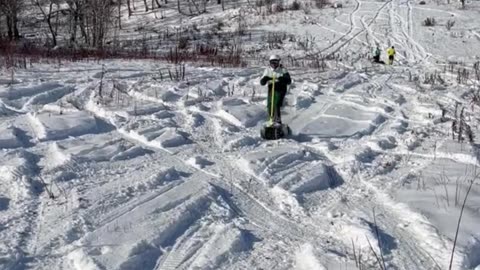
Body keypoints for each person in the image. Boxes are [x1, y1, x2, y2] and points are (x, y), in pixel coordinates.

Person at [260, 54, 292, 126]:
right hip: (271, 89)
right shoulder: (267, 70)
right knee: (270, 104)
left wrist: (282, 79)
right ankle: (271, 120)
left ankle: (277, 121)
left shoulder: (283, 70)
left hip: (281, 89)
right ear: (270, 63)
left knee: (276, 104)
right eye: (272, 62)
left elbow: (288, 81)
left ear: (278, 62)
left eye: (276, 62)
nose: (274, 64)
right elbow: (262, 81)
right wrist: (264, 79)